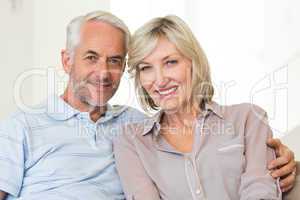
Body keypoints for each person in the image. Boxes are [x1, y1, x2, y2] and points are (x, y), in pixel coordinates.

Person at [0, 10, 296, 200]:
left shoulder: (132, 126)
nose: (103, 72)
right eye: (91, 57)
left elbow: (255, 177)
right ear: (67, 60)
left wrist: (285, 163)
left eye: (115, 61)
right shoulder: (23, 126)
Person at [113, 15, 296, 200]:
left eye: (170, 62)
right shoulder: (131, 141)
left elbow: (260, 191)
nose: (159, 80)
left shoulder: (249, 119)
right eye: (146, 68)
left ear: (193, 62)